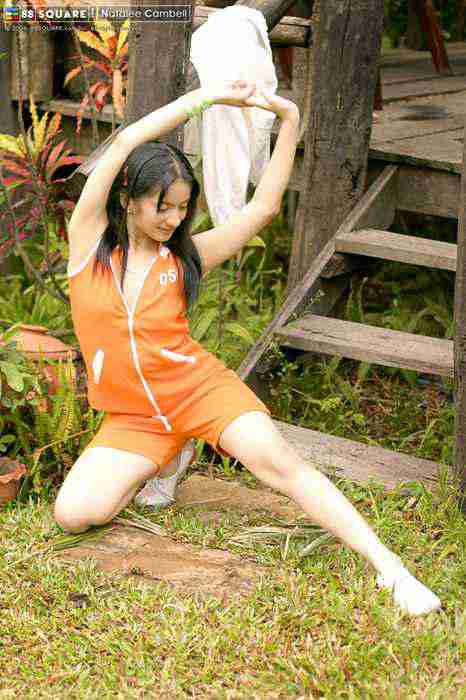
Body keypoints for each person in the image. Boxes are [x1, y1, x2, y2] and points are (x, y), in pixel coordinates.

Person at [54, 81, 441, 617]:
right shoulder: (88, 247)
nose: (173, 220)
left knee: (279, 465)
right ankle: (168, 460)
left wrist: (290, 120)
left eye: (182, 208)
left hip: (198, 391)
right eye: (162, 206)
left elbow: (262, 209)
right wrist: (207, 97)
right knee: (75, 514)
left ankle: (390, 568)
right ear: (127, 200)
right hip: (135, 418)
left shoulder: (184, 259)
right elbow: (124, 143)